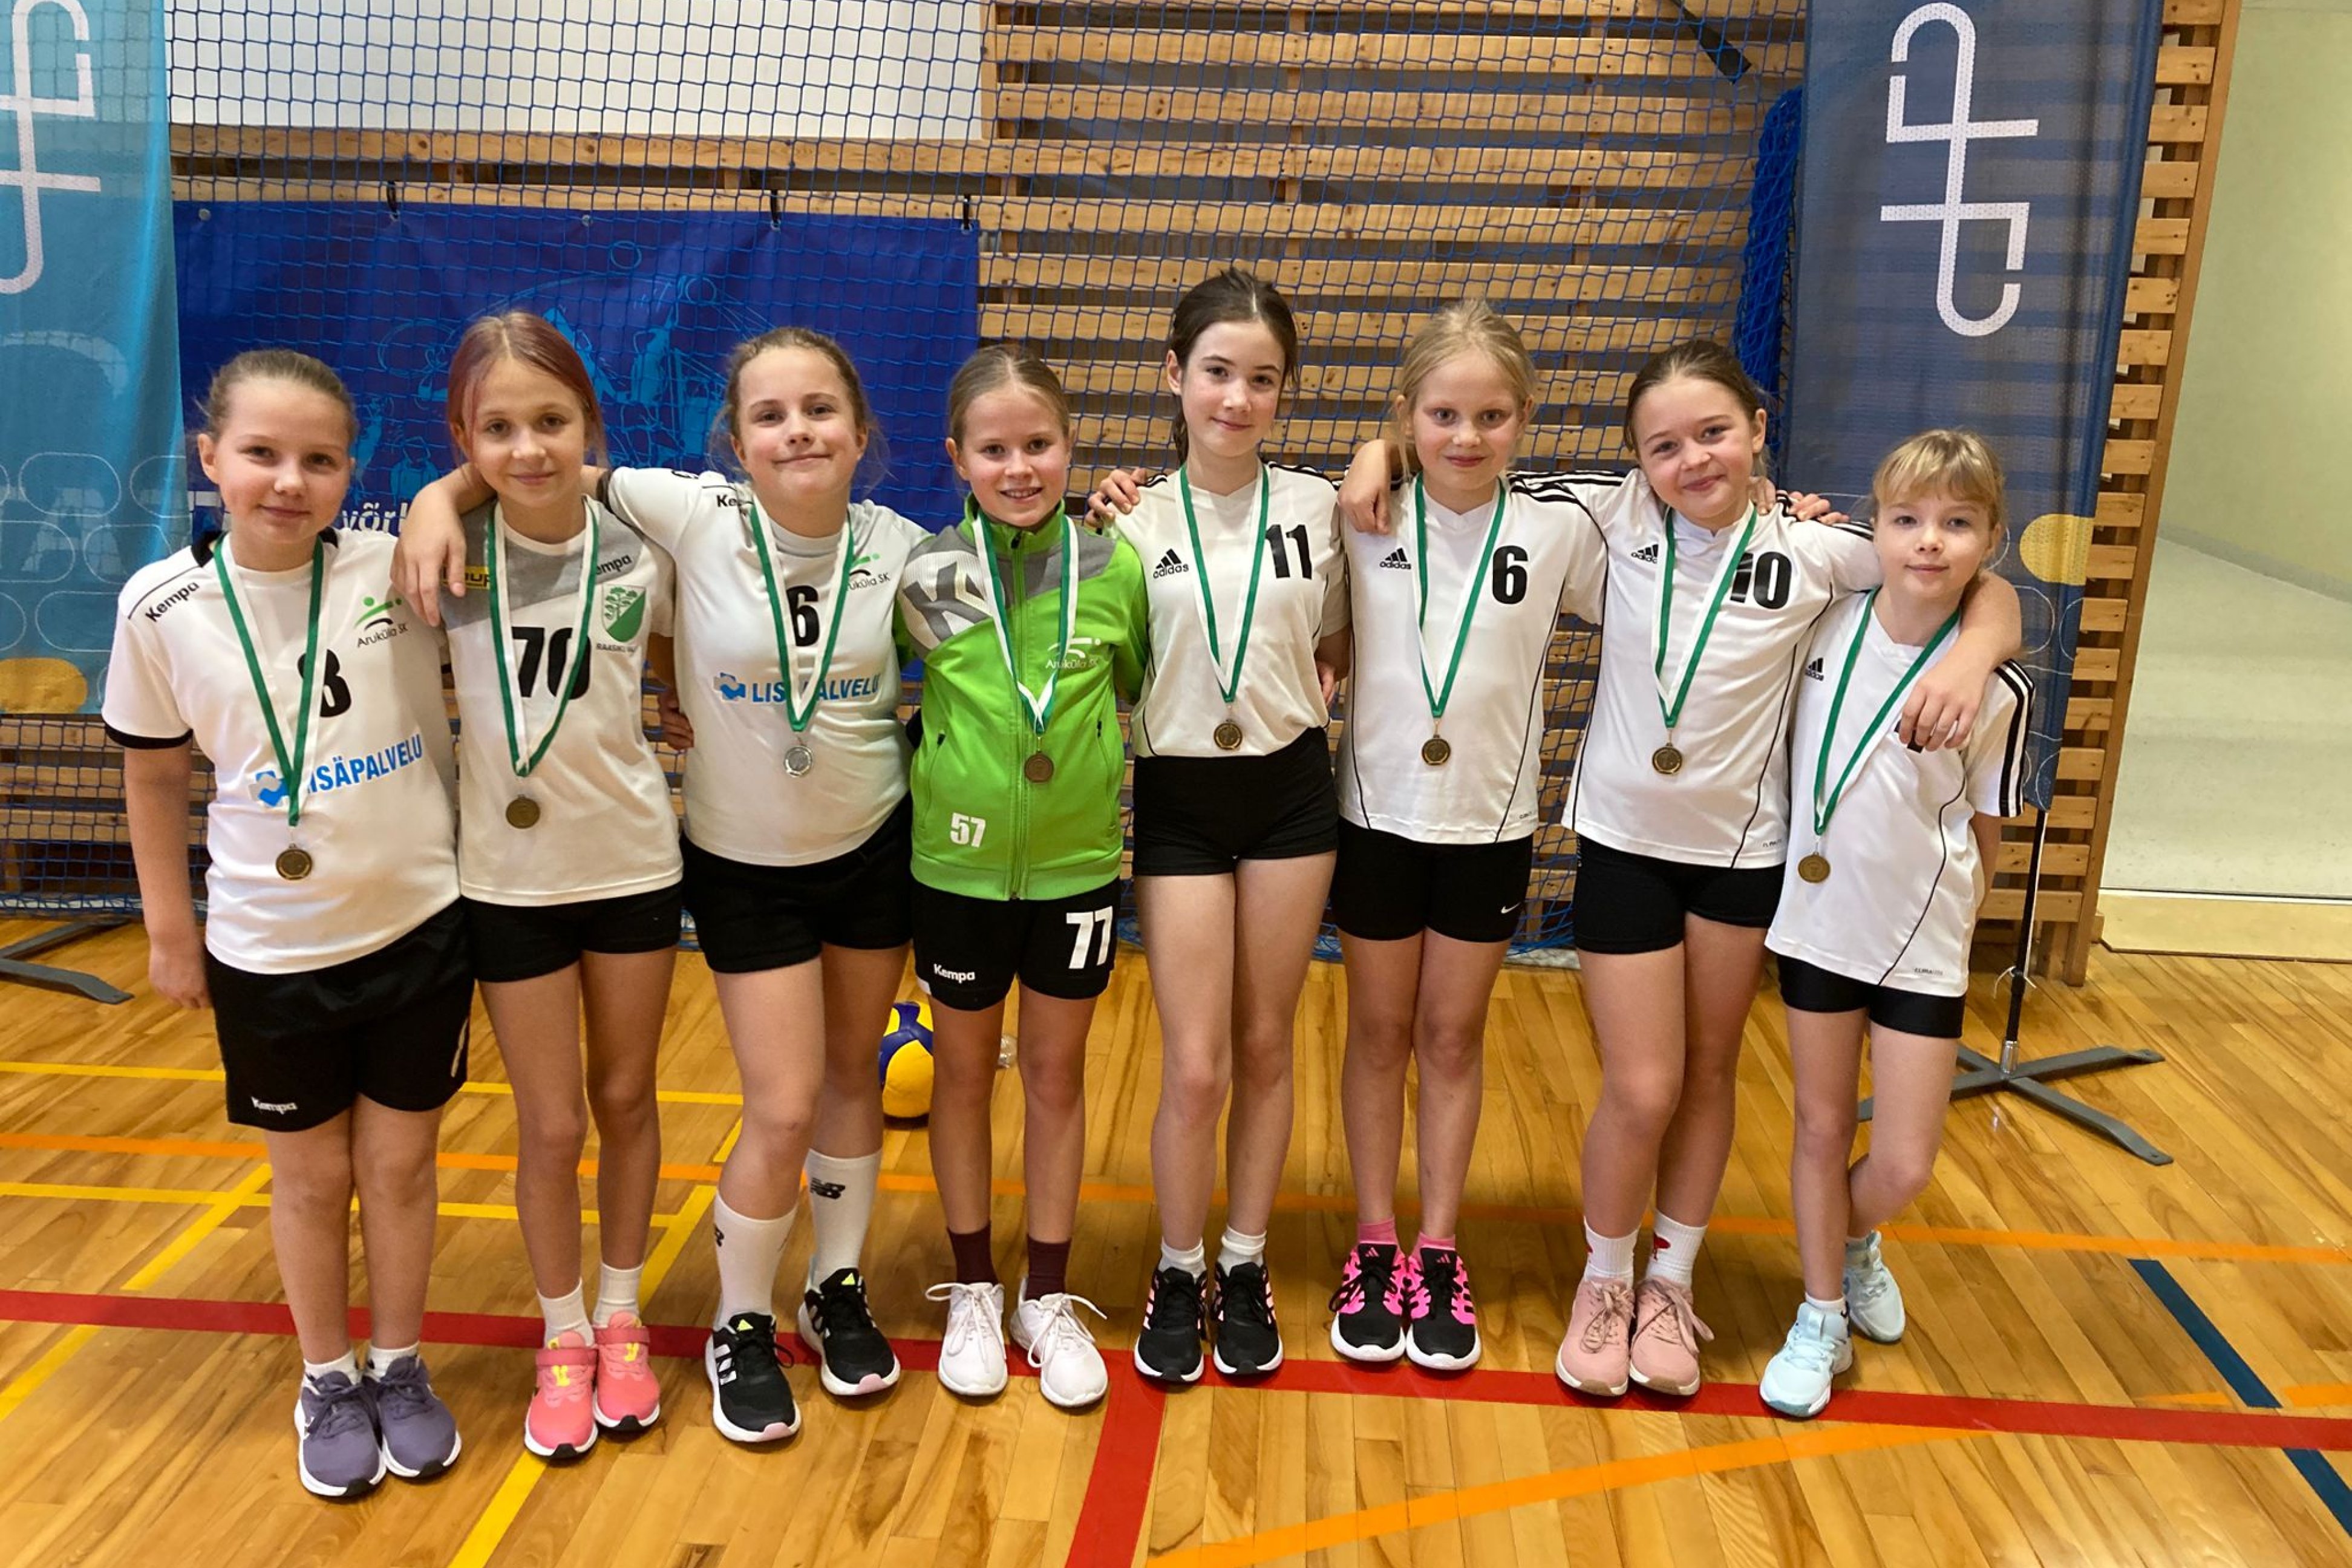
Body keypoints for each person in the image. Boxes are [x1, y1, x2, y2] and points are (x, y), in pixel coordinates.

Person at [1339, 338, 2019, 1400]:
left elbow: (1974, 582)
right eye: (1664, 446)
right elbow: (1456, 468)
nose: (1692, 460)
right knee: (1643, 1084)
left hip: (1744, 858)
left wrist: (1978, 653)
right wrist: (1377, 451)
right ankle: (1603, 1281)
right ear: (1636, 462)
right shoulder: (1608, 517)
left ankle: (1671, 1280)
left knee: (1708, 1074)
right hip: (1622, 847)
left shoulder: (1816, 550)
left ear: (1758, 430)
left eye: (1714, 434)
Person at [399, 326, 924, 1442]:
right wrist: (435, 496)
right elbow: (542, 466)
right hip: (727, 864)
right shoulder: (683, 515)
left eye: (821, 410)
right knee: (776, 1105)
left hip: (868, 846)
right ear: (732, 440)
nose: (797, 432)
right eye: (769, 415)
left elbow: (1014, 583)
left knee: (848, 1082)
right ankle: (735, 1320)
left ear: (862, 430)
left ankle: (833, 1289)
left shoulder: (902, 547)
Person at [107, 350, 468, 1497]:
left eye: (320, 459)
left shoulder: (392, 564)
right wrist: (171, 929)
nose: (288, 481)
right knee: (310, 1181)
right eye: (261, 453)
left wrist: (439, 492)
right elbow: (154, 777)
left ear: (351, 472)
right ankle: (327, 1376)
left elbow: (516, 479)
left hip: (419, 923)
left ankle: (399, 1365)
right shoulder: (161, 607)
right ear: (209, 458)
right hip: (271, 946)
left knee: (401, 1168)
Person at [1324, 303, 1608, 1370]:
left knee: (1452, 1038)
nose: (1467, 436)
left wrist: (1769, 501)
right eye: (1443, 415)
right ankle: (1374, 1240)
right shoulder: (1362, 511)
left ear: (1525, 418)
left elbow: (1680, 542)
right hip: (1377, 819)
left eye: (1492, 416)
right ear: (1409, 415)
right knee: (1377, 1033)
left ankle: (1438, 1247)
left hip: (1490, 825)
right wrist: (1375, 456)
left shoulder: (1560, 528)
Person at [1099, 268, 1350, 1384]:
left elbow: (1335, 644)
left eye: (1262, 379)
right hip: (1182, 801)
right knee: (1196, 1066)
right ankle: (1178, 1264)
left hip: (1291, 793)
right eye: (1216, 373)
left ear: (1283, 391)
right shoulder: (1127, 518)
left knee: (1265, 1043)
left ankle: (1243, 1265)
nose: (1237, 399)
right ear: (1174, 374)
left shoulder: (1322, 508)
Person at [437, 313, 678, 1457]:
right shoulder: (443, 549)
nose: (527, 448)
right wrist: (438, 499)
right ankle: (564, 1332)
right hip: (507, 879)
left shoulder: (644, 549)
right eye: (497, 429)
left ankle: (624, 1318)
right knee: (550, 1121)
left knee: (627, 1099)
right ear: (464, 439)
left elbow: (670, 663)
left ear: (590, 425)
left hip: (631, 864)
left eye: (551, 421)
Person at [1757, 430, 2031, 1419]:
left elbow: (1988, 827)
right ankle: (1819, 1313)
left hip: (1923, 940)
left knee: (1908, 1162)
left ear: (1991, 540)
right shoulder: (1825, 620)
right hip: (1820, 922)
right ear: (1872, 528)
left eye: (1958, 523)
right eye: (1907, 519)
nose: (1929, 541)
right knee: (1822, 1126)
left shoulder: (1996, 686)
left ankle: (1854, 1240)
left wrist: (1962, 919)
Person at [899, 342, 1149, 1409]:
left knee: (1055, 1077)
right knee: (961, 1076)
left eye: (1038, 444)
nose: (1019, 467)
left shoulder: (1117, 568)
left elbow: (1135, 684)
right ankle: (973, 1287)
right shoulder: (924, 577)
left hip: (1076, 870)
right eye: (994, 449)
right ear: (958, 457)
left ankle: (1046, 1295)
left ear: (1069, 447)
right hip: (955, 871)